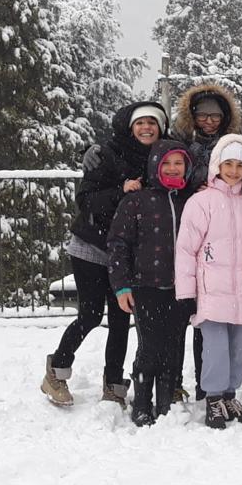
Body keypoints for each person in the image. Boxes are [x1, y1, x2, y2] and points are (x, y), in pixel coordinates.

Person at [41, 102, 166, 408]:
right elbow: (85, 199)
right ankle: (56, 371)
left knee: (123, 318)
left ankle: (113, 382)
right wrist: (120, 190)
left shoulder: (162, 156)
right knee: (91, 313)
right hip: (91, 246)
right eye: (140, 123)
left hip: (126, 251)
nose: (146, 128)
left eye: (152, 122)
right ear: (130, 127)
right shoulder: (106, 154)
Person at [175, 134, 242, 429]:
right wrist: (186, 292)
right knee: (216, 347)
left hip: (241, 290)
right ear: (217, 165)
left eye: (239, 165)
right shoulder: (202, 202)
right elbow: (185, 249)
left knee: (236, 347)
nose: (233, 171)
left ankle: (230, 393)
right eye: (228, 164)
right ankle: (213, 397)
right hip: (211, 289)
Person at [107, 140, 194, 426]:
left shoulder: (191, 201)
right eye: (166, 163)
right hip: (146, 287)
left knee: (173, 346)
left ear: (187, 167)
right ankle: (142, 401)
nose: (172, 168)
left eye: (178, 163)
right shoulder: (136, 201)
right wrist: (121, 285)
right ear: (155, 167)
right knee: (149, 347)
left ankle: (166, 400)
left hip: (181, 288)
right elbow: (118, 244)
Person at [170, 83, 242, 401]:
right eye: (203, 115)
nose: (209, 121)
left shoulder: (232, 146)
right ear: (193, 116)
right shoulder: (180, 143)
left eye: (215, 115)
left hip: (220, 242)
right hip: (185, 228)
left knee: (211, 318)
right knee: (183, 315)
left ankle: (207, 384)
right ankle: (172, 379)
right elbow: (165, 172)